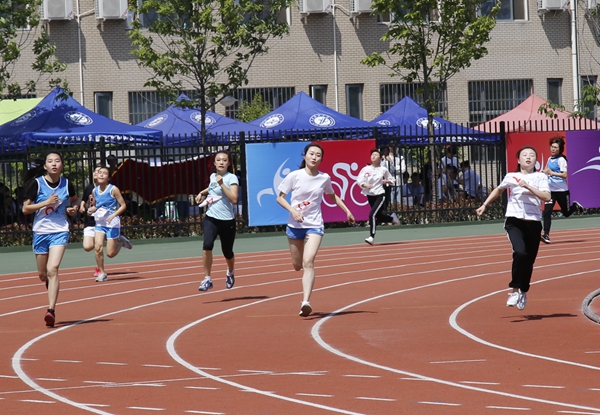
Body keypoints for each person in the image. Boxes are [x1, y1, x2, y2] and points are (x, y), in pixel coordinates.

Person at [276, 144, 355, 317]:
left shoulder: (324, 178)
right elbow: (280, 198)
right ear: (305, 156)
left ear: (321, 159)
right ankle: (304, 292)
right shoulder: (294, 176)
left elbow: (332, 195)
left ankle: (305, 301)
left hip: (315, 224)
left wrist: (347, 211)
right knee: (297, 265)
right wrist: (293, 211)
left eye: (318, 155)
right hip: (295, 226)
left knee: (308, 262)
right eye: (311, 154)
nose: (314, 157)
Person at [476, 146, 550, 311]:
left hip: (533, 222)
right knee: (520, 252)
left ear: (536, 160)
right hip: (514, 221)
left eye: (532, 155)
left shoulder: (540, 177)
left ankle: (523, 290)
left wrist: (528, 187)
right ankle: (515, 290)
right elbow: (499, 190)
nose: (528, 157)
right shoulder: (511, 176)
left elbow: (547, 197)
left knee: (529, 260)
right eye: (524, 155)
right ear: (518, 160)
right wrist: (485, 205)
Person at [22, 151, 79, 327]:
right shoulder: (37, 184)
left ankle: (51, 310)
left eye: (57, 161)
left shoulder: (67, 184)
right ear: (45, 166)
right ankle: (49, 281)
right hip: (40, 232)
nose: (54, 164)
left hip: (60, 230)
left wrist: (73, 209)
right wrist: (46, 202)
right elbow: (25, 209)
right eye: (50, 161)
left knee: (52, 269)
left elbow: (75, 201)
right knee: (43, 275)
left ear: (62, 165)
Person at [196, 150, 239, 292]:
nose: (221, 162)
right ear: (214, 163)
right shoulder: (213, 176)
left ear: (229, 163)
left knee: (227, 252)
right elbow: (211, 188)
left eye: (224, 160)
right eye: (218, 160)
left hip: (227, 221)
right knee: (207, 245)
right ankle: (207, 278)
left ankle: (230, 272)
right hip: (211, 218)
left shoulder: (231, 178)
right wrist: (202, 193)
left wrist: (222, 184)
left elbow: (234, 199)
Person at [89, 166, 132, 282]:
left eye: (104, 173)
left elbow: (123, 205)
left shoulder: (113, 189)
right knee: (98, 247)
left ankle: (121, 242)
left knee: (110, 253)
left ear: (108, 178)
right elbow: (96, 205)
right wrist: (91, 210)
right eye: (100, 173)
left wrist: (113, 215)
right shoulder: (94, 191)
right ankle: (102, 273)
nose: (101, 175)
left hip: (112, 223)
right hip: (100, 222)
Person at [541, 137, 583, 244]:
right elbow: (546, 170)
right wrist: (543, 173)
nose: (553, 149)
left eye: (555, 147)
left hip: (562, 190)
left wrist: (552, 173)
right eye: (552, 146)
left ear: (560, 149)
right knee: (547, 212)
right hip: (550, 191)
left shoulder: (561, 160)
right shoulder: (549, 159)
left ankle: (575, 206)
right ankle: (546, 235)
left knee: (566, 213)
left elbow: (564, 175)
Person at [357, 148, 400, 245]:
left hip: (380, 194)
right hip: (370, 195)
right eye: (372, 154)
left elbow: (392, 180)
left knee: (372, 215)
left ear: (380, 158)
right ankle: (392, 218)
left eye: (376, 155)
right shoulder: (365, 169)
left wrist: (387, 181)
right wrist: (365, 185)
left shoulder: (383, 169)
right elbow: (359, 180)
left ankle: (371, 237)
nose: (373, 156)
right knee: (379, 217)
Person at [80, 166, 102, 278]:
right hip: (90, 220)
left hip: (102, 222)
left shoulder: (108, 189)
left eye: (99, 171)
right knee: (88, 246)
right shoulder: (89, 188)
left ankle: (99, 269)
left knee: (98, 246)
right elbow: (84, 200)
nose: (96, 173)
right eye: (95, 171)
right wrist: (82, 206)